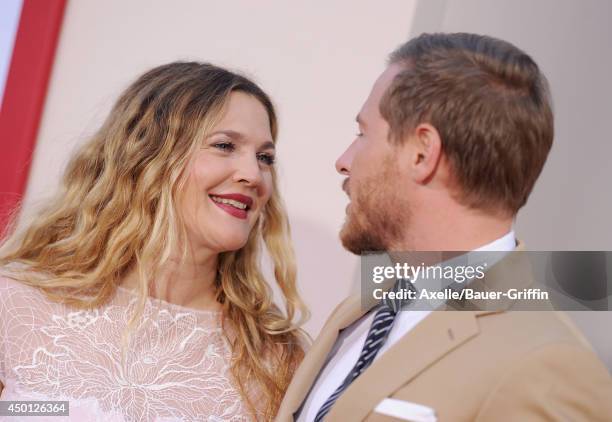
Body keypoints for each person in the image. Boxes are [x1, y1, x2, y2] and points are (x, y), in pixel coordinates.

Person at [277, 33, 612, 421]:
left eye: (362, 134)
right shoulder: (359, 310)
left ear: (422, 153)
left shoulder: (546, 364)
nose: (344, 161)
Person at [0, 62, 308, 421]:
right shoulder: (17, 303)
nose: (253, 175)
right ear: (147, 155)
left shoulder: (274, 361)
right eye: (224, 146)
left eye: (265, 158)